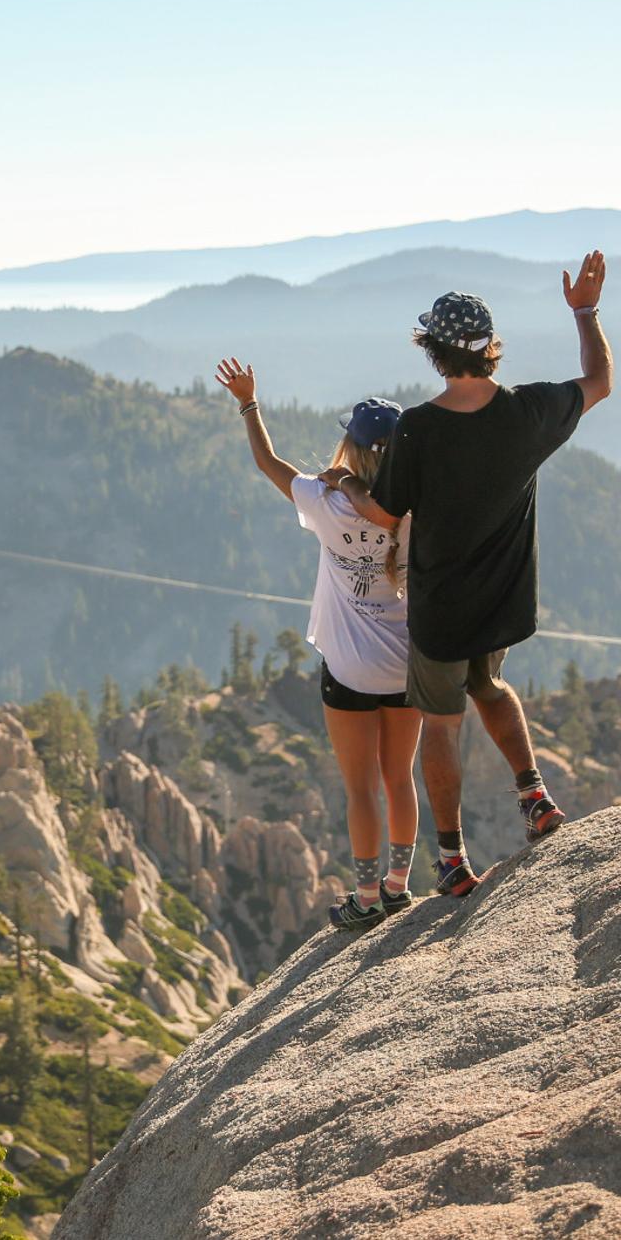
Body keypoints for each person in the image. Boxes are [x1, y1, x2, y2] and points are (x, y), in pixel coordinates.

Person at [331, 251, 613, 899]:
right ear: (491, 349)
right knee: (490, 685)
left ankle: (454, 860)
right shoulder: (530, 412)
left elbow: (383, 511)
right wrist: (586, 312)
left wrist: (346, 482)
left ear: (434, 352)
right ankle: (534, 796)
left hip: (442, 609)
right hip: (503, 602)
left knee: (441, 722)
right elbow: (599, 379)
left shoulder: (422, 430)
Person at [214, 358, 421, 932]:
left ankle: (366, 895)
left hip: (349, 671)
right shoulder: (416, 507)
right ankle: (401, 886)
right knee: (398, 777)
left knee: (360, 788)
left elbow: (268, 463)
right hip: (409, 669)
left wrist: (248, 404)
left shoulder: (324, 501)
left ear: (350, 448)